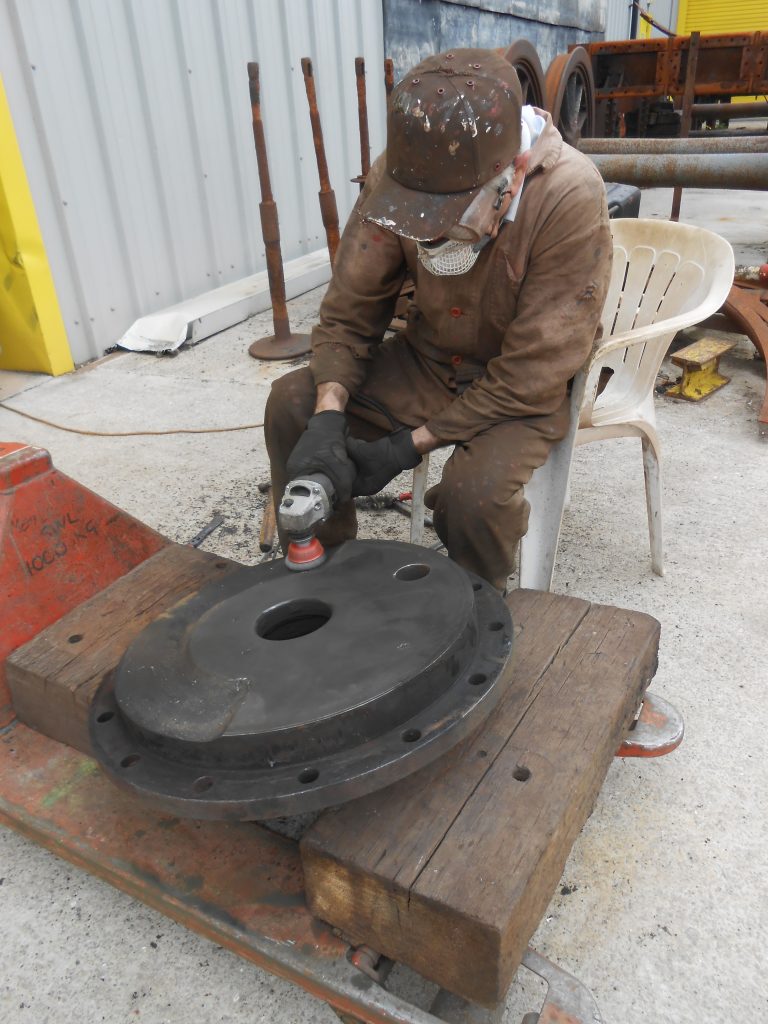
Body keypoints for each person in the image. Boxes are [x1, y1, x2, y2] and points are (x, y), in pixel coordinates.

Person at [264, 47, 612, 592]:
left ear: (513, 174)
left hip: (516, 390)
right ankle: (326, 581)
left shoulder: (569, 193)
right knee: (293, 406)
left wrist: (405, 446)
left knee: (472, 500)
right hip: (425, 363)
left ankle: (481, 609)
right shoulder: (401, 176)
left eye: (450, 216)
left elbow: (534, 372)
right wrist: (329, 416)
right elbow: (350, 311)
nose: (431, 232)